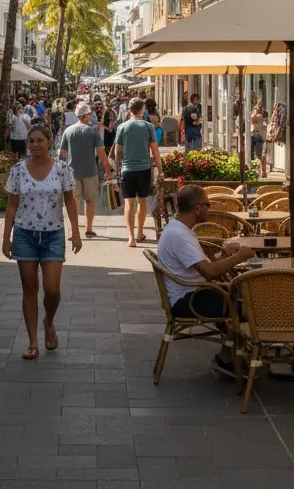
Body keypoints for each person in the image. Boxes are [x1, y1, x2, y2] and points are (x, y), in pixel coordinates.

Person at [157, 184, 255, 376]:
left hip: (193, 291)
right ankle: (236, 355)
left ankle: (231, 353)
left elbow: (203, 266)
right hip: (187, 299)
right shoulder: (179, 235)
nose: (210, 208)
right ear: (198, 208)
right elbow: (209, 272)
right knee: (249, 303)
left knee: (242, 293)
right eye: (208, 204)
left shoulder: (181, 229)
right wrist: (239, 257)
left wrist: (225, 254)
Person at [3, 125, 81, 359]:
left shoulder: (62, 169)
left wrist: (76, 231)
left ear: (49, 142)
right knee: (29, 289)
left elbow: (70, 200)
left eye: (40, 140)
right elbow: (11, 206)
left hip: (53, 234)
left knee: (52, 289)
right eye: (31, 141)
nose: (35, 145)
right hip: (25, 234)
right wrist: (6, 237)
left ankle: (49, 321)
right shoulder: (18, 170)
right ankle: (33, 342)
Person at [114, 97, 163, 247]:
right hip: (144, 169)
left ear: (129, 110)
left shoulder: (122, 127)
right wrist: (160, 170)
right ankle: (140, 232)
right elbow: (155, 151)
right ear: (142, 110)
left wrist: (117, 169)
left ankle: (131, 237)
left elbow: (118, 151)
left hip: (127, 169)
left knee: (129, 202)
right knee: (142, 200)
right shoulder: (148, 127)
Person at [58, 103, 112, 237]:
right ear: (87, 116)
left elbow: (62, 153)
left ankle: (74, 230)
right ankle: (88, 228)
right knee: (90, 200)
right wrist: (107, 168)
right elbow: (101, 153)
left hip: (72, 172)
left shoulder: (68, 131)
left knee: (74, 202)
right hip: (90, 171)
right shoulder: (93, 131)